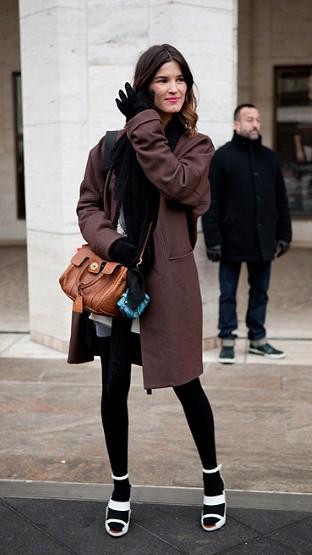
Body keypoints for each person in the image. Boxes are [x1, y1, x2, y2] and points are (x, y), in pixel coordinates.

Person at [67, 44, 226, 537]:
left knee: (187, 385)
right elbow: (88, 205)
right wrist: (113, 244)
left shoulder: (197, 148)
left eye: (180, 79)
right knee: (112, 389)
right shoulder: (110, 144)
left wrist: (143, 127)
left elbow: (177, 185)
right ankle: (119, 486)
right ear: (143, 86)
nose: (173, 88)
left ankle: (213, 478)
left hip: (168, 287)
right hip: (116, 283)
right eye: (161, 80)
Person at [202, 103, 292, 364]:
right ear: (236, 125)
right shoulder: (222, 158)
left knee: (260, 292)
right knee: (228, 293)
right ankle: (227, 340)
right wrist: (213, 240)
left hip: (264, 241)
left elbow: (281, 201)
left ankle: (258, 340)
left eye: (258, 119)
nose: (255, 124)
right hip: (230, 240)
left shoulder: (270, 158)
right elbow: (211, 202)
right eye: (249, 119)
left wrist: (284, 235)